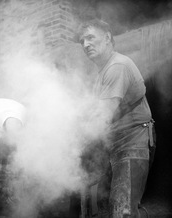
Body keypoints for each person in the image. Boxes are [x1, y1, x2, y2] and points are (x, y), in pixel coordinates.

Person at [74, 19, 156, 218]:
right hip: (115, 143)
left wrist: (74, 145)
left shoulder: (117, 66)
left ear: (108, 37)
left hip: (133, 142)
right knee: (104, 206)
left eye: (91, 37)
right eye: (82, 40)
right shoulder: (101, 72)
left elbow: (101, 117)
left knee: (123, 209)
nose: (85, 44)